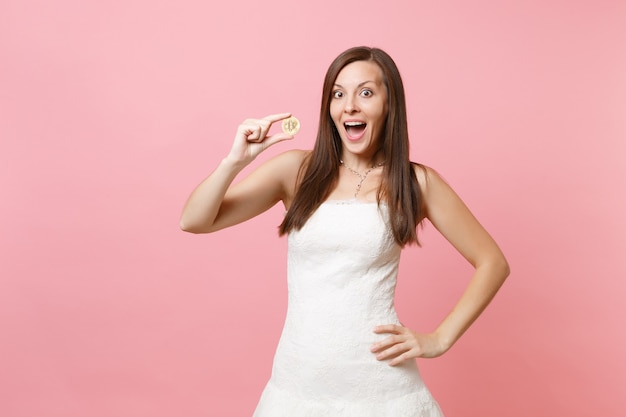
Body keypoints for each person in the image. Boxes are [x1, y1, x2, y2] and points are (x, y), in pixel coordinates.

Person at [180, 46, 509, 416]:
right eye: (338, 94)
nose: (349, 106)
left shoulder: (415, 182)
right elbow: (194, 220)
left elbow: (492, 262)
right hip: (298, 385)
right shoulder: (295, 171)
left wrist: (439, 339)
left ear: (389, 104)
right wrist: (234, 161)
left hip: (383, 387)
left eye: (365, 93)